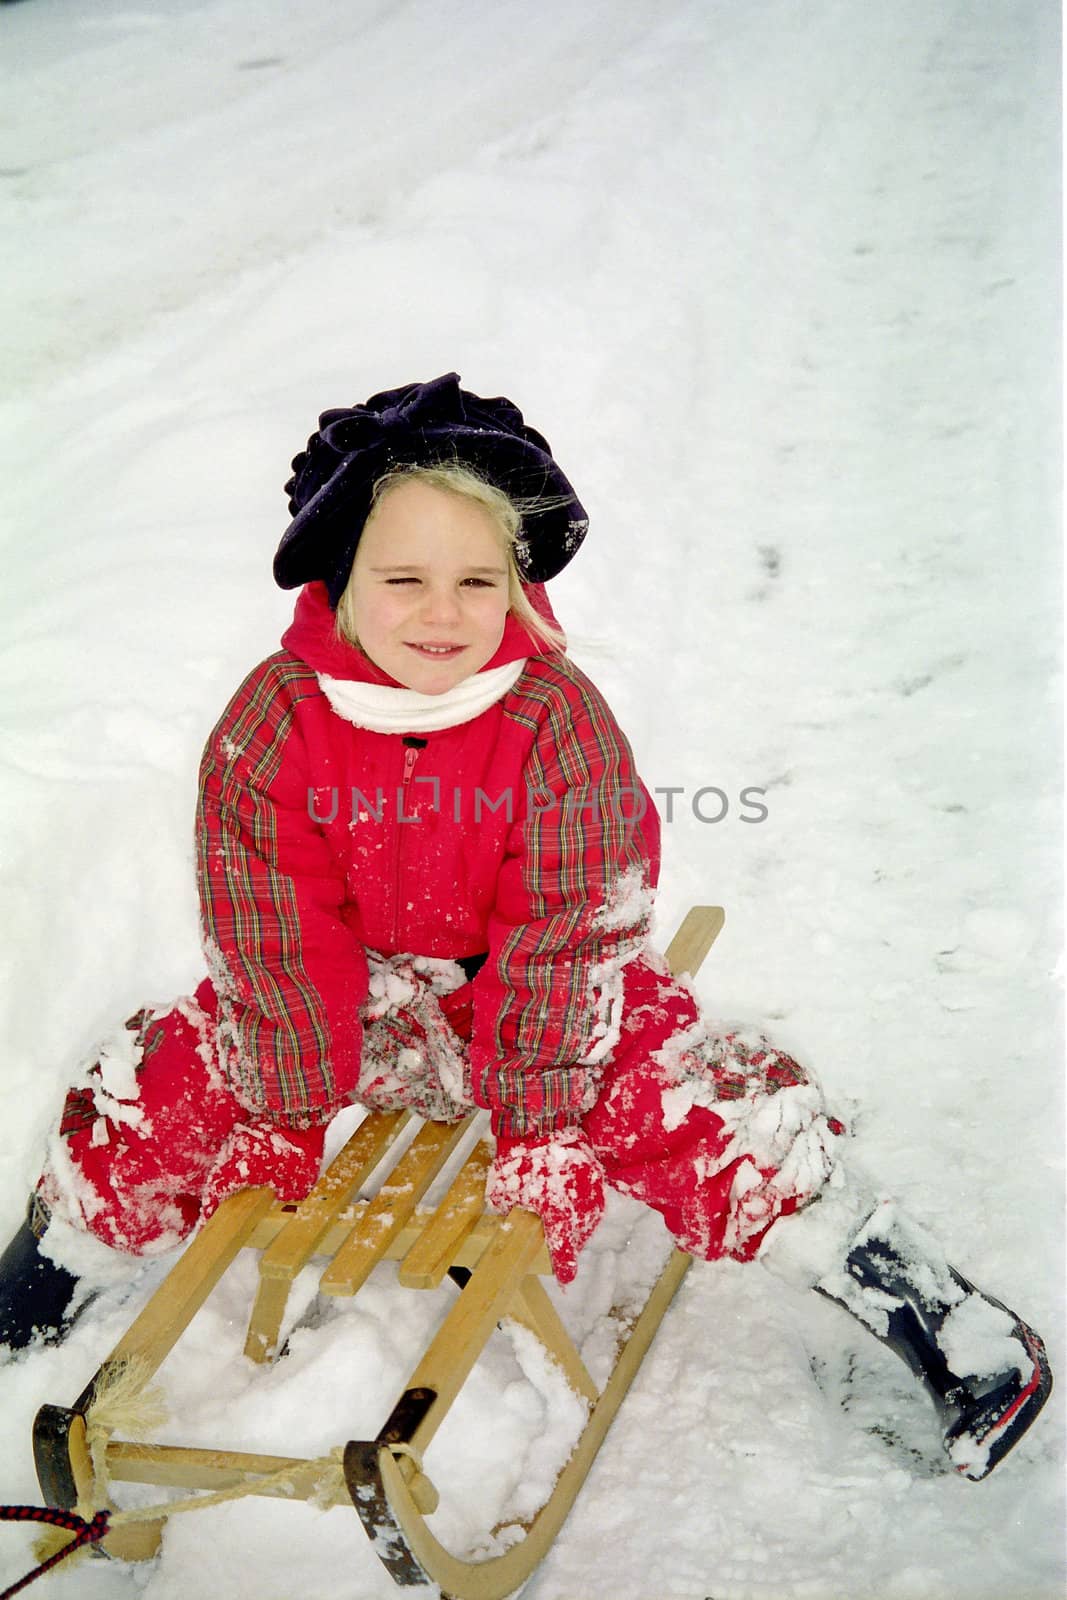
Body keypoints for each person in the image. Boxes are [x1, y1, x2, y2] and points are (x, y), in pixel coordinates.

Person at [0, 373, 1050, 1483]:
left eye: (475, 580)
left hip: (544, 1006)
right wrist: (282, 1098)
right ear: (337, 579)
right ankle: (50, 1265)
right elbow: (268, 924)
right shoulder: (275, 721)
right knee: (156, 1068)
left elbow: (570, 928)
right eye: (401, 579)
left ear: (519, 584)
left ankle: (925, 1307)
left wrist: (541, 1115)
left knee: (699, 1096)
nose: (441, 612)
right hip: (358, 1002)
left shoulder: (552, 718)